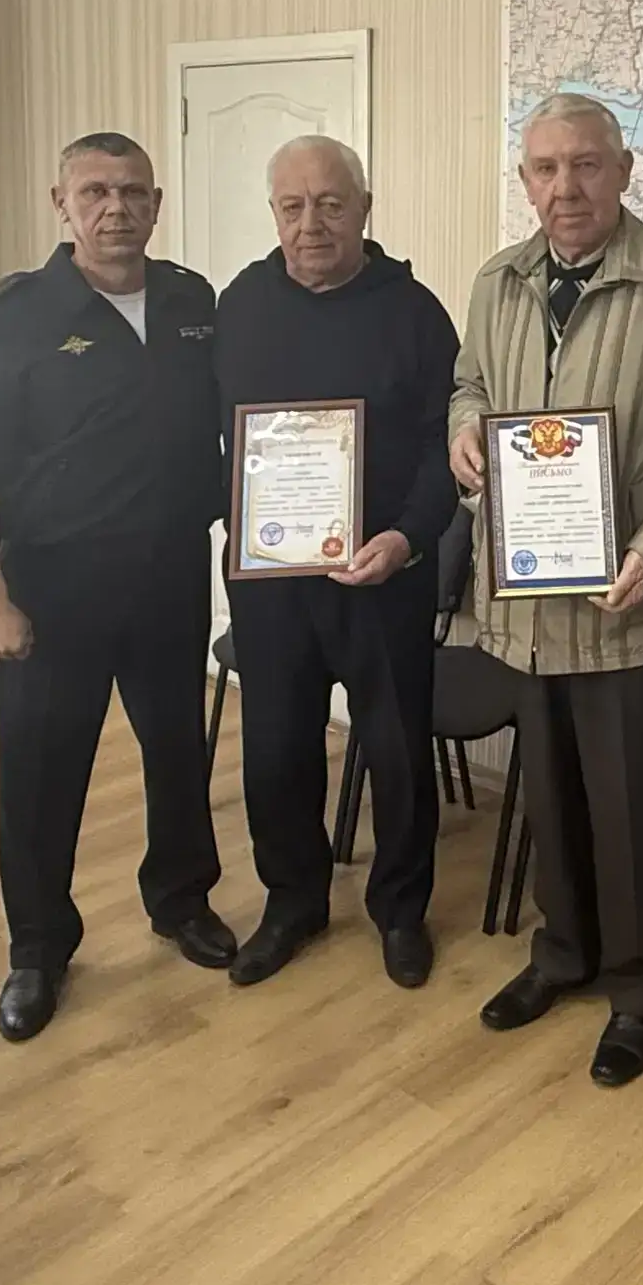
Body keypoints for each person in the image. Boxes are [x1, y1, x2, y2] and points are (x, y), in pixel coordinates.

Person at [449, 94, 643, 1083]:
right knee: (551, 799)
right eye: (545, 168)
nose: (565, 187)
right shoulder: (497, 282)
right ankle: (563, 954)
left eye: (585, 165)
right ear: (525, 180)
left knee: (639, 815)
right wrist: (464, 430)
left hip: (633, 607)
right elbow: (470, 385)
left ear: (623, 170)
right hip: (528, 609)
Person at [0, 132, 235, 1042]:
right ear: (60, 203)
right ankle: (38, 949)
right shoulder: (11, 317)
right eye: (96, 191)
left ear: (157, 203)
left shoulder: (192, 302)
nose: (117, 208)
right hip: (53, 584)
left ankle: (181, 900)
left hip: (169, 574)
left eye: (134, 191)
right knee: (40, 770)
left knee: (176, 749)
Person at [214, 136, 459, 989]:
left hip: (385, 573)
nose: (311, 223)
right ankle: (293, 902)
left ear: (364, 208)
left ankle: (401, 910)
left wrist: (408, 536)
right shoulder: (241, 305)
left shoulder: (416, 312)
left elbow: (443, 448)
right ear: (274, 214)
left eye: (330, 204)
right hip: (272, 583)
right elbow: (214, 433)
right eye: (293, 206)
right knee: (276, 749)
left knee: (397, 752)